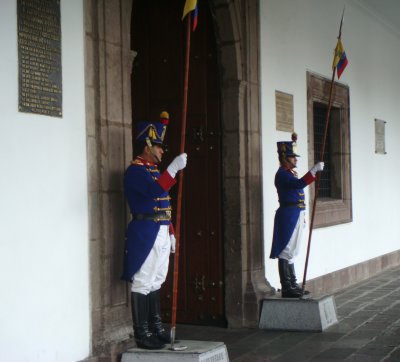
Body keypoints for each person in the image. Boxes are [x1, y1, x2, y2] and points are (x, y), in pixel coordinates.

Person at [121, 111, 187, 349]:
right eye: (158, 146)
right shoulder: (135, 171)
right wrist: (172, 170)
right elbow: (152, 193)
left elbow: (163, 204)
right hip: (145, 231)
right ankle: (142, 332)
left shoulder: (153, 170)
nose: (162, 151)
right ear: (147, 146)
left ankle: (156, 327)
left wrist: (170, 231)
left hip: (159, 229)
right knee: (143, 280)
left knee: (157, 279)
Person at [270, 133, 324, 298]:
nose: (296, 160)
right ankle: (286, 287)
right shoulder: (282, 174)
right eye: (293, 157)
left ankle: (293, 284)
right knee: (286, 250)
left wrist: (302, 216)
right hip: (288, 216)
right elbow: (299, 184)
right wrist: (313, 171)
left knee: (293, 250)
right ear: (285, 158)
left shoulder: (290, 173)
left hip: (296, 214)